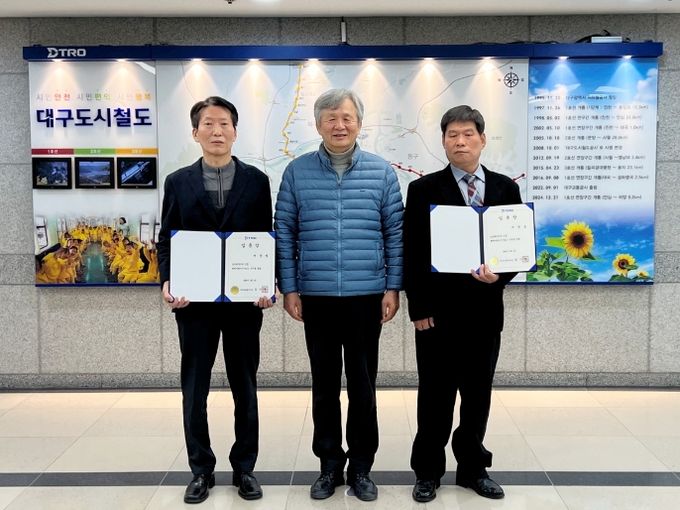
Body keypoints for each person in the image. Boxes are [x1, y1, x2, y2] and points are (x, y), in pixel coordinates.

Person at [275, 88, 403, 502]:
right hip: (317, 296)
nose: (339, 125)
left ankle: (362, 466)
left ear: (359, 123)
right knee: (324, 385)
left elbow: (395, 234)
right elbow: (284, 233)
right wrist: (290, 288)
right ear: (317, 125)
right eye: (330, 118)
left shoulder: (382, 172)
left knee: (363, 385)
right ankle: (329, 465)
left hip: (367, 295)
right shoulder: (296, 172)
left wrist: (393, 286)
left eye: (347, 117)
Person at [157, 96, 274, 504]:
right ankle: (200, 470)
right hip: (194, 305)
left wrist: (268, 284)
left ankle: (245, 468)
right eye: (208, 124)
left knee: (245, 386)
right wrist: (167, 281)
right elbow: (167, 238)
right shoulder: (178, 181)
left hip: (244, 305)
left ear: (235, 131)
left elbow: (264, 238)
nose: (217, 131)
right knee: (195, 389)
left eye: (224, 123)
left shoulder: (257, 181)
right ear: (195, 133)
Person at [403, 105, 522, 502]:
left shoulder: (505, 188)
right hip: (437, 315)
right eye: (452, 135)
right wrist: (418, 308)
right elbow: (412, 252)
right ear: (443, 141)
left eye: (468, 134)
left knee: (477, 396)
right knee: (434, 397)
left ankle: (473, 469)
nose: (460, 141)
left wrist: (499, 276)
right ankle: (427, 472)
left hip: (485, 313)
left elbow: (517, 249)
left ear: (482, 139)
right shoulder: (423, 190)